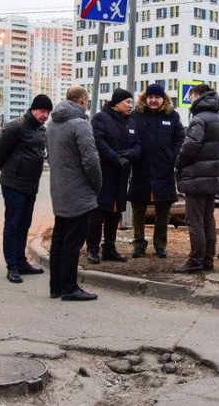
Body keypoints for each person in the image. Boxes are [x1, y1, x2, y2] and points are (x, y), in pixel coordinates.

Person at [46, 85, 101, 301]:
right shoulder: (81, 124)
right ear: (83, 100)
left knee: (59, 239)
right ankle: (69, 287)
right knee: (73, 241)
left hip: (59, 189)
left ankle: (56, 286)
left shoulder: (52, 124)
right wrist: (96, 185)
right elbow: (91, 160)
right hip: (79, 191)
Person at [0, 94, 52, 284]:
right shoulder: (16, 126)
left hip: (31, 184)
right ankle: (12, 267)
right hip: (13, 184)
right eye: (43, 111)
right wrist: (10, 171)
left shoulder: (41, 129)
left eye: (48, 112)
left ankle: (21, 261)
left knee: (24, 224)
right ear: (33, 109)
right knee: (12, 225)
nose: (45, 115)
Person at [174, 84, 219, 273]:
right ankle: (207, 260)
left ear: (198, 96)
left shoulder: (199, 119)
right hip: (212, 175)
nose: (191, 100)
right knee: (208, 219)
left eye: (192, 96)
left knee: (194, 219)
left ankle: (195, 260)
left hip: (196, 175)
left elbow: (190, 147)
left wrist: (178, 163)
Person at [129, 84, 185, 259]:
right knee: (138, 209)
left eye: (157, 97)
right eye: (150, 97)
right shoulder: (135, 116)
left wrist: (172, 156)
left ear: (163, 99)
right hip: (141, 169)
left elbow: (180, 139)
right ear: (145, 98)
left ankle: (160, 244)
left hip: (164, 170)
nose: (153, 100)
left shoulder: (173, 116)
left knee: (163, 210)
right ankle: (138, 244)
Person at [86, 88, 141, 264]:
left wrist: (130, 154)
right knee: (99, 212)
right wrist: (117, 158)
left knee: (115, 213)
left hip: (122, 175)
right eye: (127, 102)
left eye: (132, 102)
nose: (130, 105)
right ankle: (92, 249)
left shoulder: (131, 122)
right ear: (117, 103)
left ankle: (109, 248)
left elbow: (138, 145)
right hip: (104, 174)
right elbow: (99, 143)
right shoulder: (101, 119)